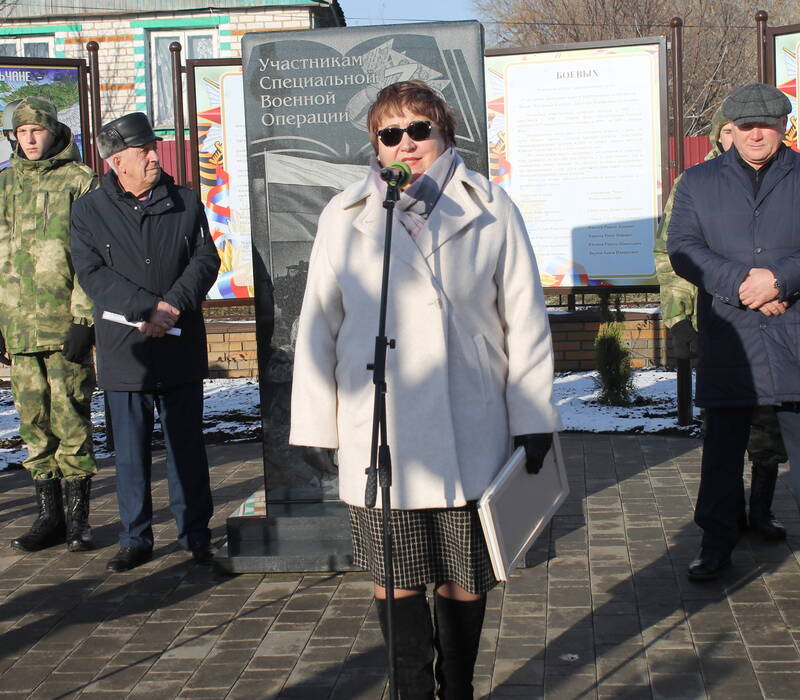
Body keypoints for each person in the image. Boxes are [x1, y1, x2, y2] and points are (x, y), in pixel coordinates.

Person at [290, 81, 561, 698]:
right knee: (397, 571)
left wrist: (533, 416)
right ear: (374, 145)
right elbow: (318, 326)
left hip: (470, 422)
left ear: (445, 133)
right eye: (390, 134)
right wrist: (315, 424)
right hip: (381, 426)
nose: (405, 144)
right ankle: (411, 686)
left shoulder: (491, 207)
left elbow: (525, 317)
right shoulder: (345, 214)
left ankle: (457, 684)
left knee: (466, 572)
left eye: (420, 130)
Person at [70, 112, 220, 573]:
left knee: (186, 447)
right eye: (145, 151)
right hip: (125, 347)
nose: (156, 156)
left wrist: (171, 306)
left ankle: (196, 533)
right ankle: (135, 538)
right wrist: (144, 309)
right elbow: (92, 273)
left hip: (178, 341)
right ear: (118, 162)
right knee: (130, 453)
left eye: (154, 147)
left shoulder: (186, 201)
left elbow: (205, 259)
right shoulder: (89, 211)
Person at [668, 83, 800, 582]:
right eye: (746, 126)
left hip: (794, 329)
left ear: (784, 126)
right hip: (732, 333)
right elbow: (682, 246)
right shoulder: (699, 182)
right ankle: (716, 542)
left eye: (767, 124)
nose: (756, 134)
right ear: (731, 129)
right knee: (722, 453)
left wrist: (781, 281)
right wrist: (742, 285)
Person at [0, 97, 98, 553]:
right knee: (33, 423)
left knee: (71, 418)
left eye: (37, 130)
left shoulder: (79, 182)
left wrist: (83, 316)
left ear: (54, 133)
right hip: (18, 329)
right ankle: (48, 518)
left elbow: (91, 256)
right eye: (22, 132)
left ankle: (79, 521)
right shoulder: (4, 185)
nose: (30, 139)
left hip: (63, 327)